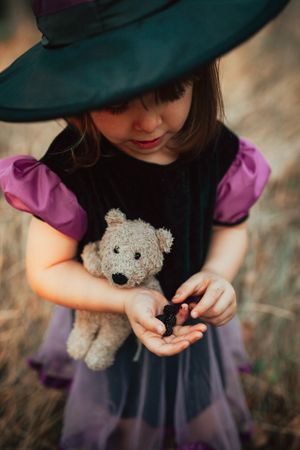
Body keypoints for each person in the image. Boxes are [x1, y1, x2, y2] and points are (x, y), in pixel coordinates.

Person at [0, 1, 289, 449]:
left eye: (171, 91)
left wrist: (216, 274)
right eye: (117, 103)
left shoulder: (216, 150)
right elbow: (47, 269)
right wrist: (127, 300)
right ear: (80, 97)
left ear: (197, 72)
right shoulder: (74, 168)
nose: (150, 121)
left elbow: (231, 226)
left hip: (194, 336)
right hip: (116, 337)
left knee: (202, 421)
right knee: (124, 428)